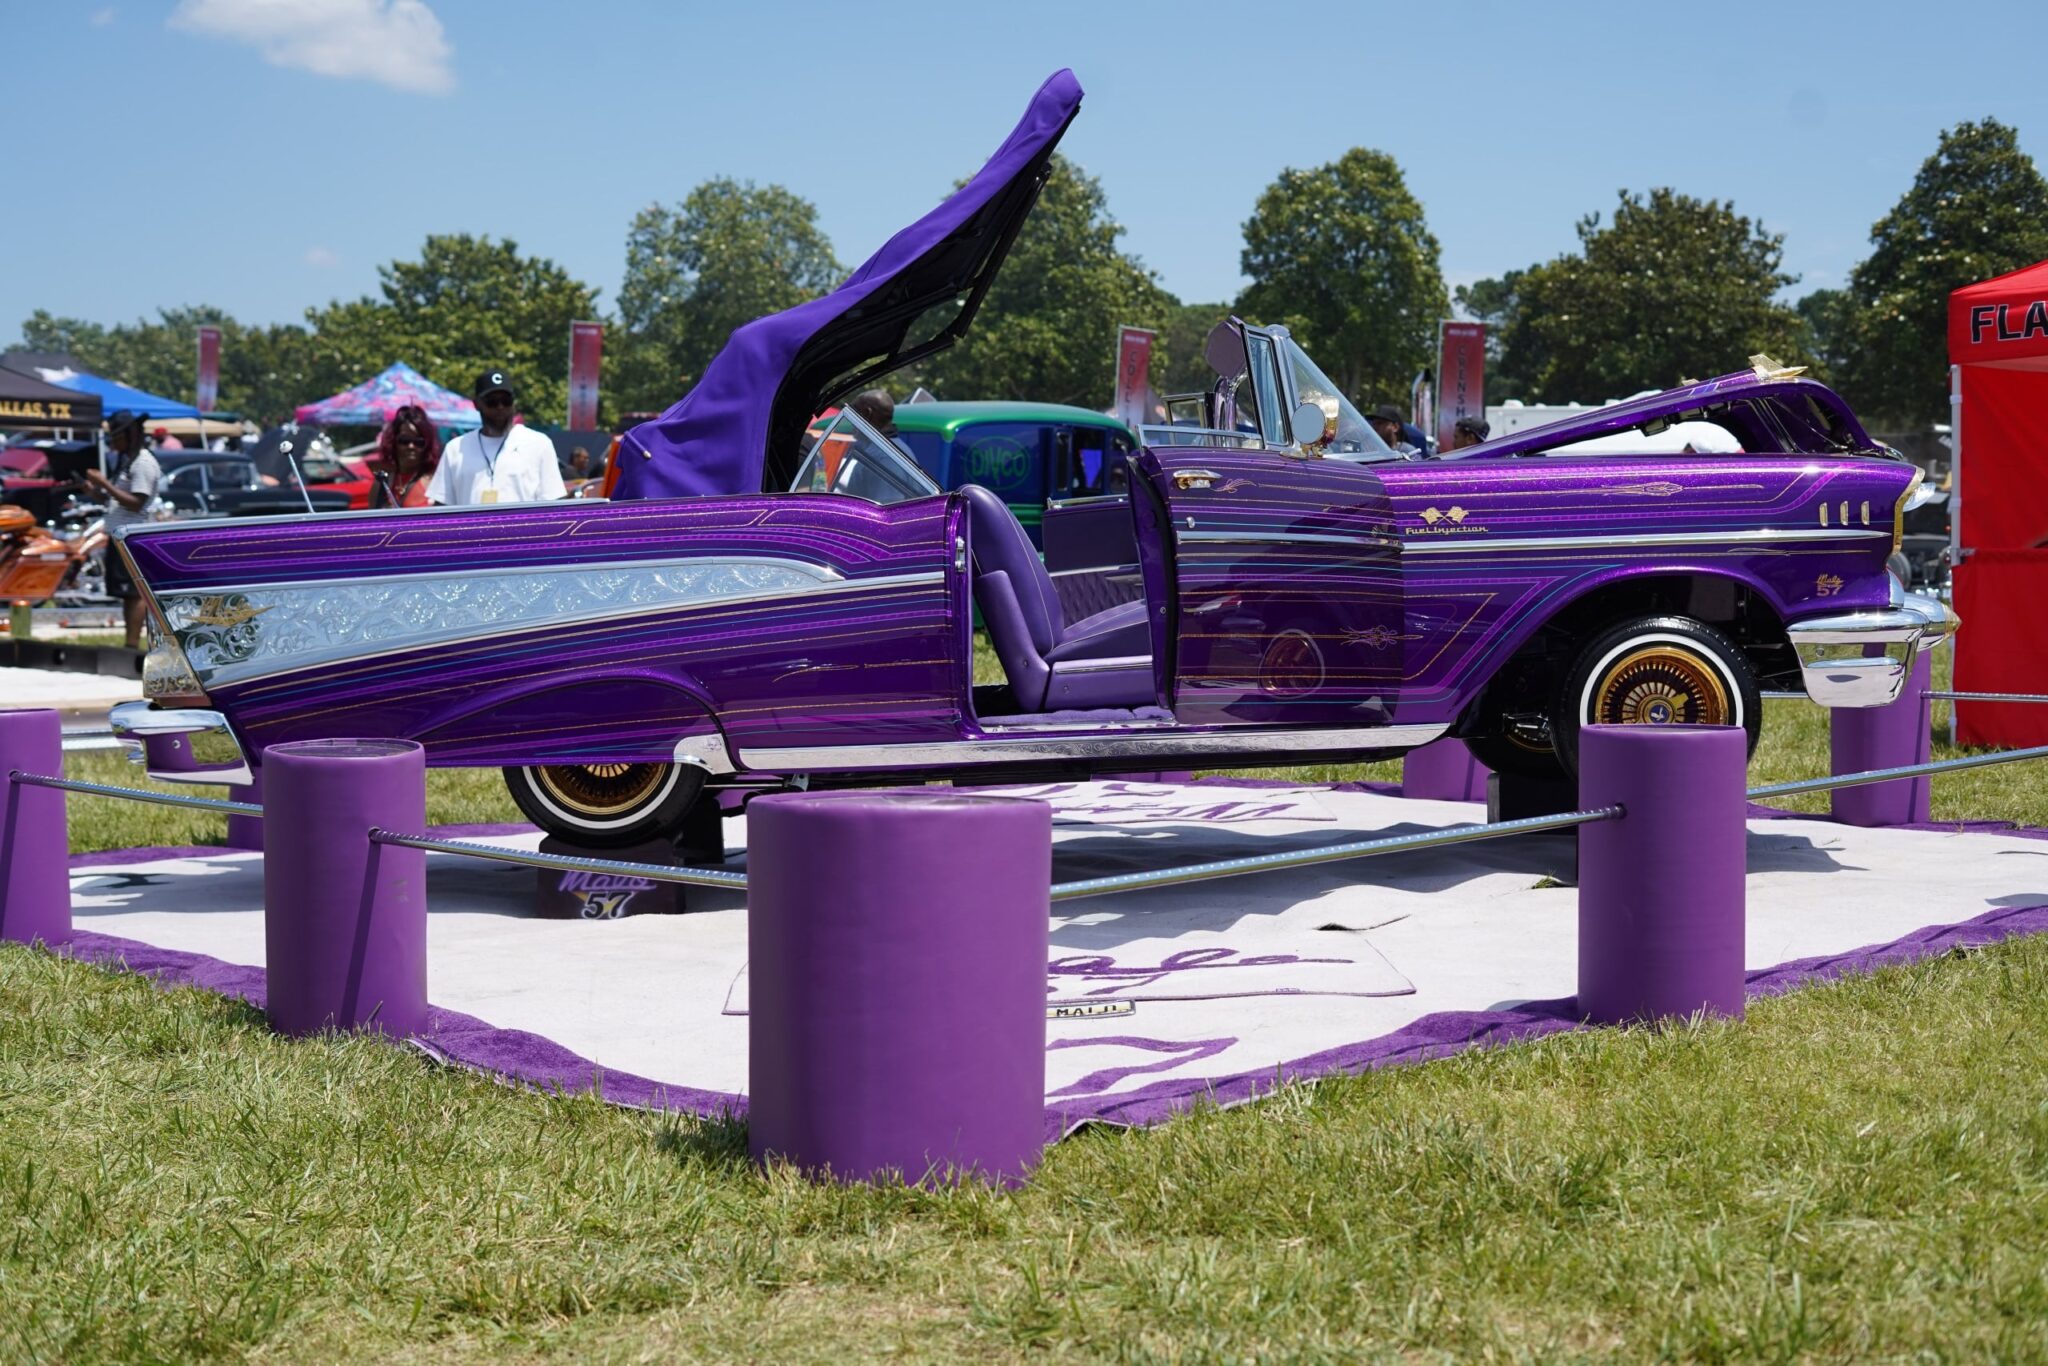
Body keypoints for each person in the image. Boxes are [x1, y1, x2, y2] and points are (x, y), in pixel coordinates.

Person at [426, 370, 566, 506]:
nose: (500, 407)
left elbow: (553, 504)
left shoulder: (539, 444)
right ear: (476, 404)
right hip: (471, 530)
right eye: (492, 402)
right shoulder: (455, 449)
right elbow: (442, 505)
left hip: (522, 529)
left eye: (506, 401)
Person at [84, 410, 160, 649]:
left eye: (116, 436)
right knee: (126, 593)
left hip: (132, 535)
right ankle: (130, 643)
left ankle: (132, 645)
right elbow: (117, 501)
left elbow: (137, 502)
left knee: (135, 593)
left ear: (132, 434)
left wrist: (104, 483)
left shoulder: (143, 463)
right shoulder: (128, 461)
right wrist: (95, 492)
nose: (113, 442)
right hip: (120, 533)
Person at [370, 404, 440, 509]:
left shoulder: (435, 482)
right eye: (404, 440)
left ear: (427, 445)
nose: (411, 446)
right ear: (393, 442)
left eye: (419, 442)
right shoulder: (381, 484)